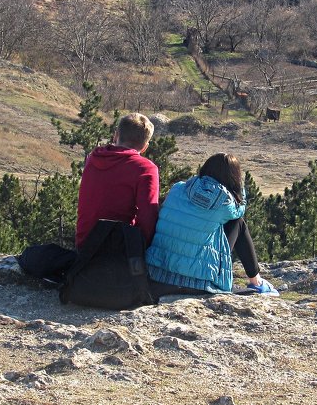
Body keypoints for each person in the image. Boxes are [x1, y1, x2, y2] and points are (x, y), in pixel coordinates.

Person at [146, 153, 278, 296]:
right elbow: (240, 209)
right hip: (196, 283)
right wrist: (239, 189)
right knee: (237, 223)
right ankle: (256, 282)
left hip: (157, 274)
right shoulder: (224, 202)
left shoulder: (178, 188)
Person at [75, 113, 159, 248]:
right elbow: (148, 219)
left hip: (84, 243)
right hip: (116, 249)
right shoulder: (145, 168)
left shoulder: (93, 158)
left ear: (116, 135)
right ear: (144, 147)